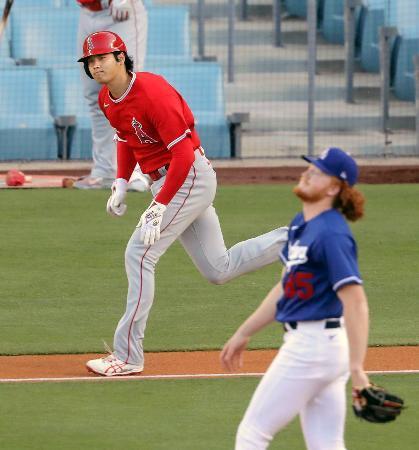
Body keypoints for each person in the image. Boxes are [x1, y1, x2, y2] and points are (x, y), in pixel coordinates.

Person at [77, 31, 288, 376]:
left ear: (121, 57)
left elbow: (183, 154)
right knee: (218, 269)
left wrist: (159, 206)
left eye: (102, 57)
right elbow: (127, 139)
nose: (95, 64)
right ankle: (296, 240)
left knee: (139, 254)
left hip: (187, 175)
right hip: (170, 180)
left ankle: (128, 356)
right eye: (89, 61)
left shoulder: (153, 92)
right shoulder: (107, 98)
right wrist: (119, 182)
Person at [221, 147, 370, 449]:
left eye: (317, 171)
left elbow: (355, 301)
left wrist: (357, 369)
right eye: (309, 168)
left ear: (333, 187)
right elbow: (285, 287)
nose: (307, 172)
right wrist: (244, 331)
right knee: (326, 443)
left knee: (252, 433)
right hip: (322, 350)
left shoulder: (332, 234)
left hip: (311, 349)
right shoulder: (302, 225)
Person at [74, 0, 150, 191]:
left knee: (127, 90)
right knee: (94, 93)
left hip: (118, 13)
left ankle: (137, 171)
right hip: (87, 12)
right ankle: (105, 170)